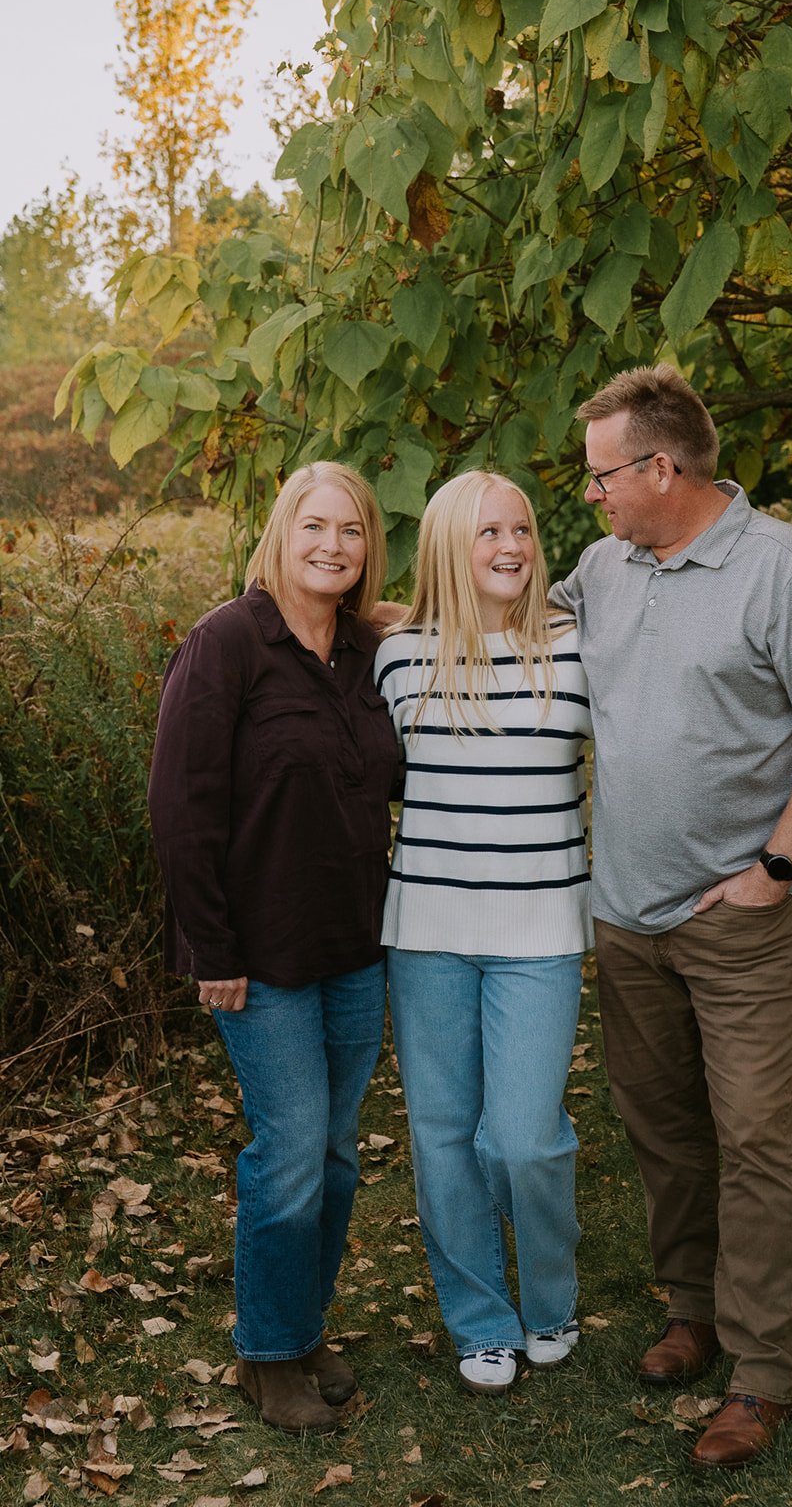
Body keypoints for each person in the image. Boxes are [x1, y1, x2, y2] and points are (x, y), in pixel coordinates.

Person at [550, 365, 792, 1468]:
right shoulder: (602, 569)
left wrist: (775, 868)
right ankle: (693, 1307)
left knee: (752, 1137)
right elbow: (498, 620)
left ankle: (762, 1369)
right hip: (625, 908)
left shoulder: (782, 568)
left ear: (659, 467)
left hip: (743, 915)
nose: (587, 496)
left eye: (600, 475)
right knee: (662, 1127)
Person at [147, 462, 398, 1434]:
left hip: (357, 945)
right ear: (280, 533)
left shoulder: (368, 651)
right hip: (257, 954)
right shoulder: (225, 644)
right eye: (315, 527)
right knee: (290, 1150)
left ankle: (299, 1325)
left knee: (334, 1156)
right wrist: (210, 945)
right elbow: (181, 804)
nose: (332, 546)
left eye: (351, 531)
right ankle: (265, 1356)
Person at [374, 471, 593, 1395]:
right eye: (487, 532)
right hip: (425, 930)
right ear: (446, 548)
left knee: (523, 1139)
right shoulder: (398, 657)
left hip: (542, 927)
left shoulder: (581, 648)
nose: (511, 546)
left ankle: (550, 1298)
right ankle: (480, 1320)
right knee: (443, 1137)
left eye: (524, 530)